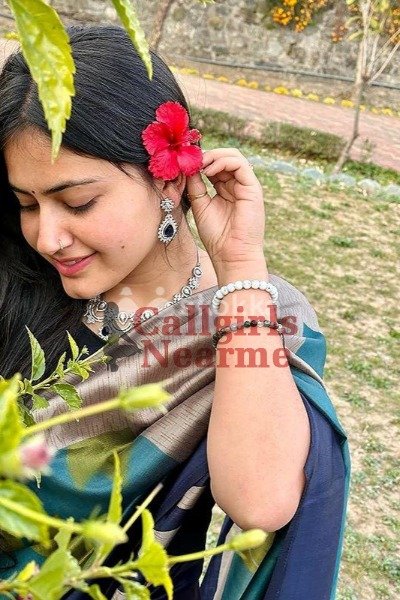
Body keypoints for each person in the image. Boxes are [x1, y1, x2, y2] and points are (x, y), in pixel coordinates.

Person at [0, 25, 350, 600]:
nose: (47, 237)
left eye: (78, 203)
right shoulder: (19, 282)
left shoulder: (258, 315)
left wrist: (240, 269)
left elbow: (261, 500)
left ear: (169, 181)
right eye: (25, 204)